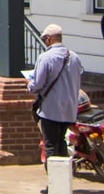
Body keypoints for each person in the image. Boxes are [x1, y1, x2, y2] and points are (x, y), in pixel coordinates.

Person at [27, 23, 84, 162]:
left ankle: (54, 181)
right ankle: (63, 179)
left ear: (48, 39)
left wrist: (29, 84)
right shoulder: (74, 57)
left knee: (51, 145)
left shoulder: (45, 58)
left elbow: (37, 84)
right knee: (61, 142)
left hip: (51, 108)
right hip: (69, 108)